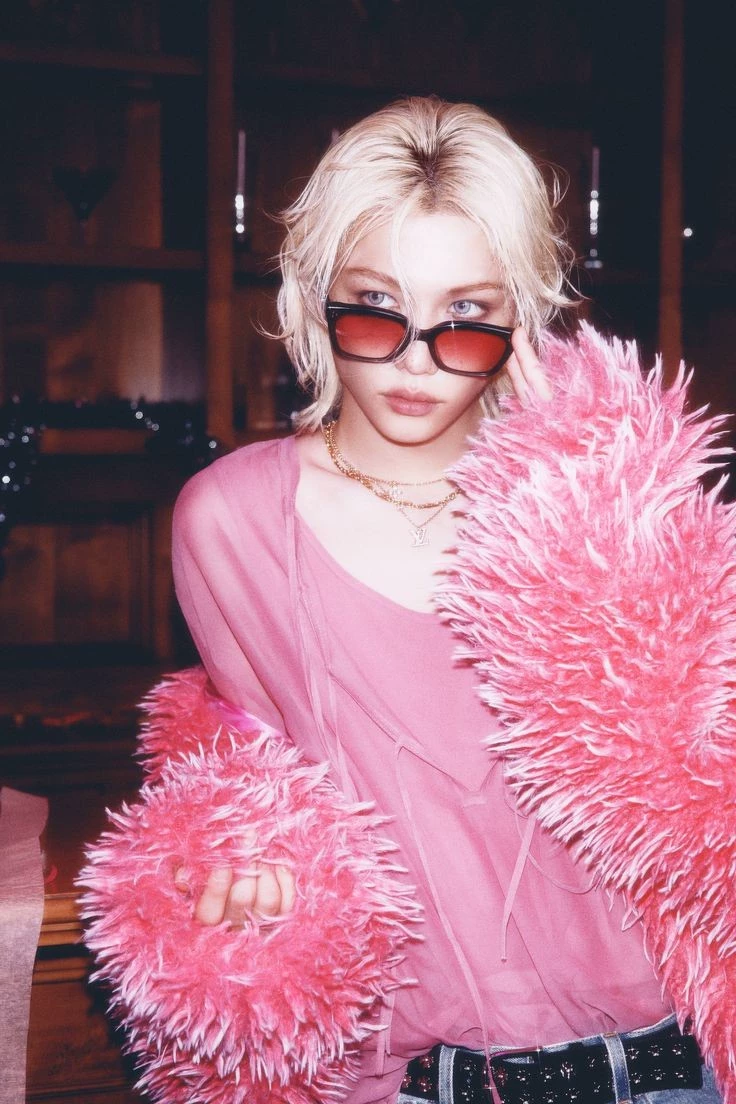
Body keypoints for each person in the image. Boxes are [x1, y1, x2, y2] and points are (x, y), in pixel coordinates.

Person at [81, 96, 736, 1104]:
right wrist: (237, 857)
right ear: (315, 296)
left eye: (466, 319)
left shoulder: (610, 501)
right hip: (416, 1083)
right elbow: (245, 770)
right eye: (375, 307)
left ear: (521, 318)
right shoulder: (233, 524)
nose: (416, 358)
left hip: (664, 1069)